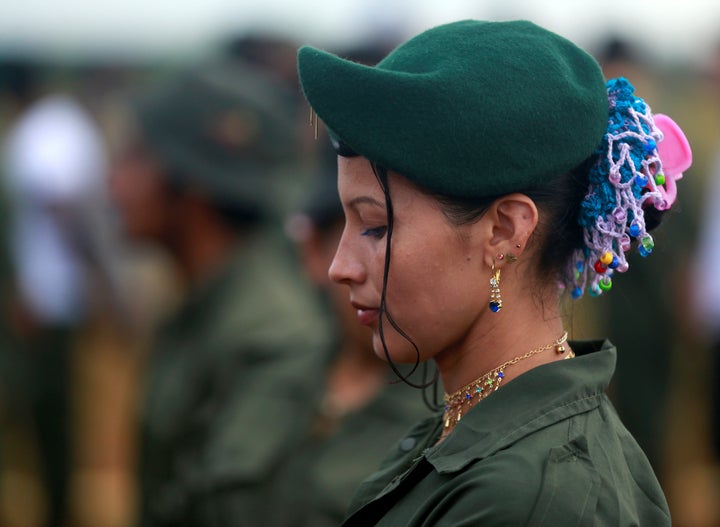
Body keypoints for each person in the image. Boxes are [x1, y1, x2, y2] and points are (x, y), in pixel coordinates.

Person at [296, 19, 692, 525]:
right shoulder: (481, 429)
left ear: (505, 231)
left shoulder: (528, 500)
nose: (339, 267)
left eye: (375, 227)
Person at [110, 60, 331, 526]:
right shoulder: (211, 300)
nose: (114, 182)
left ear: (191, 185)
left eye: (136, 157)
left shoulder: (269, 334)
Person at [269, 141, 434, 527]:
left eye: (376, 230)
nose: (341, 268)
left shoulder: (452, 418)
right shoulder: (270, 373)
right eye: (342, 231)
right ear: (310, 248)